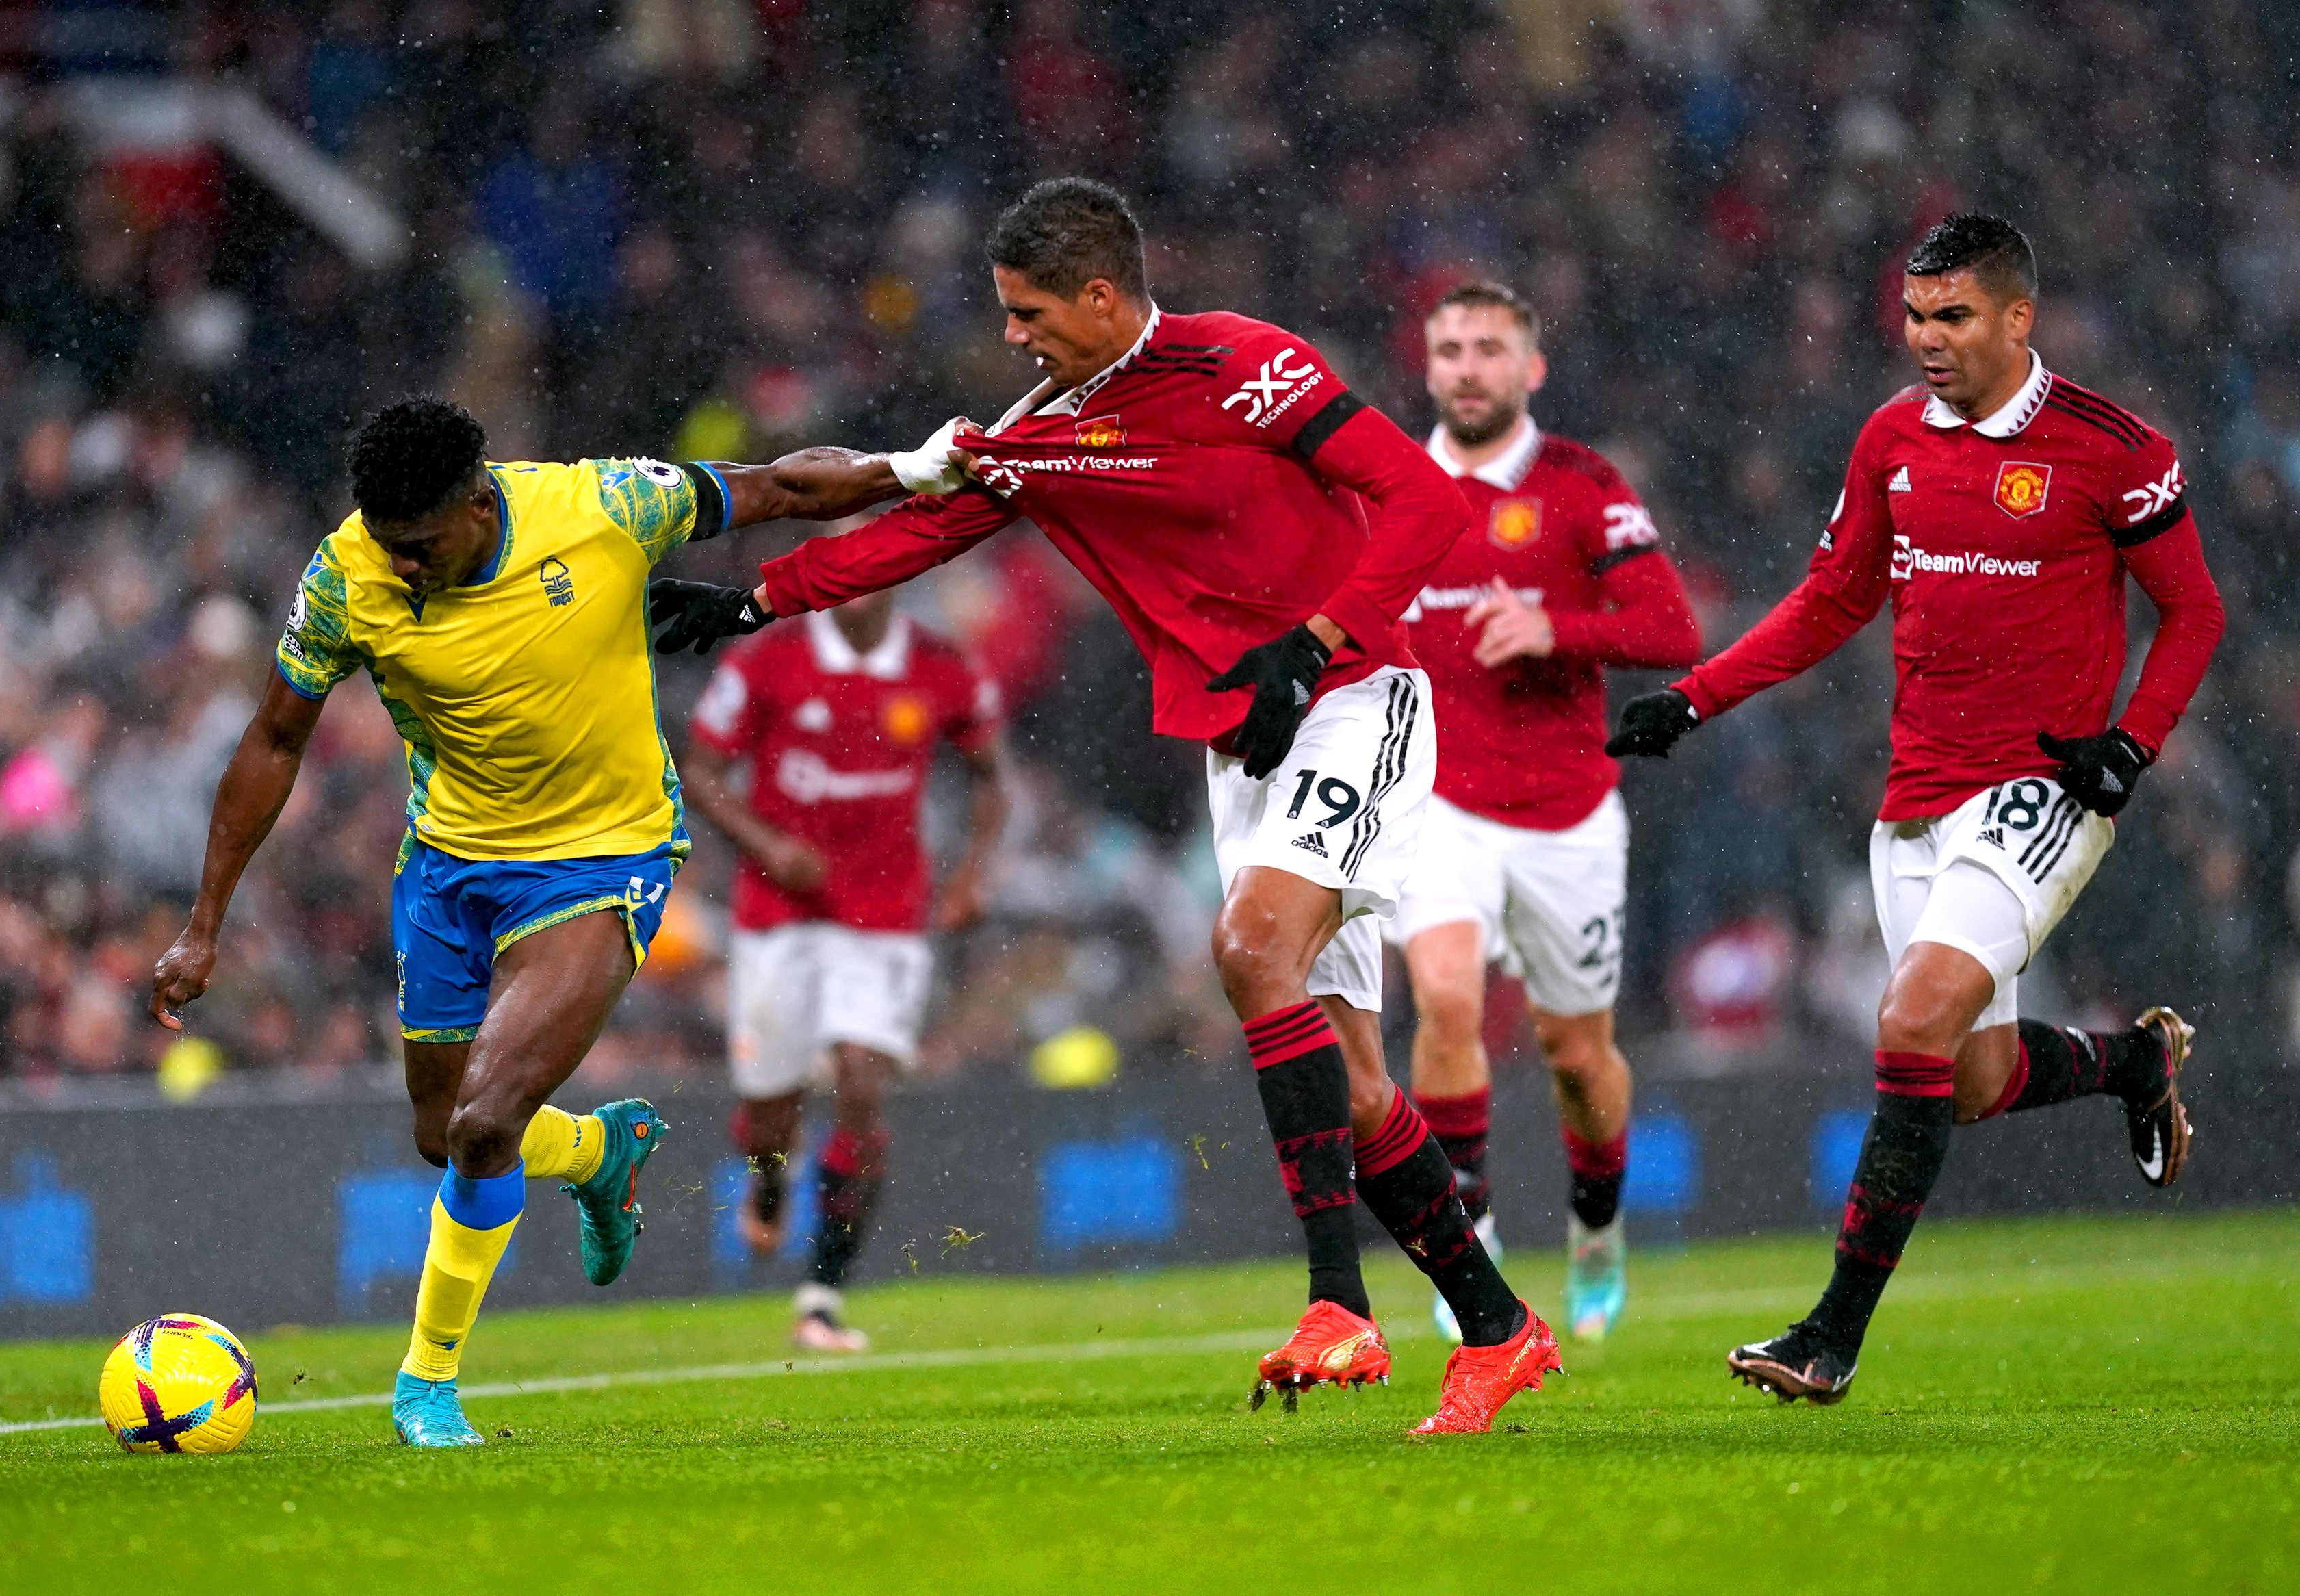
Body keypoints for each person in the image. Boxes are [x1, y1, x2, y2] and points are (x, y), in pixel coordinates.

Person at [648, 177, 1562, 1434]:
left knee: (1246, 949)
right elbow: (920, 533)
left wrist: (1313, 638)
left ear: (1098, 292)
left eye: (1029, 311)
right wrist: (758, 602)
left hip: (1354, 695)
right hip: (1241, 742)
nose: (1013, 336)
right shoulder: (1041, 430)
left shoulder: (1246, 366)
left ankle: (1337, 1303)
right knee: (1349, 1080)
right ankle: (1501, 1328)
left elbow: (1425, 500)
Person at [148, 396, 964, 1445]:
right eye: (389, 547)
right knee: (442, 1135)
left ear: (477, 502)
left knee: (485, 1124)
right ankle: (590, 1154)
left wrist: (914, 467)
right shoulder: (344, 575)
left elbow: (779, 487)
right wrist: (204, 922)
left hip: (601, 860)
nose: (402, 567)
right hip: (448, 865)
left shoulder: (601, 505)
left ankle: (426, 1386)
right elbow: (272, 738)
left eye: (423, 546)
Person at [1607, 214, 2224, 1403]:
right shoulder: (1892, 438)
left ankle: (1827, 1335)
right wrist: (1690, 700)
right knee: (1973, 1076)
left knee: (1910, 1021)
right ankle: (2132, 1060)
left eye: (1950, 317)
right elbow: (1832, 600)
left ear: (2015, 318)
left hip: (2041, 787)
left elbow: (2191, 611)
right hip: (1917, 800)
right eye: (1913, 315)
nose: (1926, 339)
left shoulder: (2114, 448)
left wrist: (2130, 747)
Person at [1391, 281, 1700, 1346]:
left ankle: (1597, 1223)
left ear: (1530, 369)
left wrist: (1553, 629)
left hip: (1566, 811)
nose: (1466, 366)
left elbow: (1672, 628)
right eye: (1449, 348)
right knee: (1441, 997)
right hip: (1434, 801)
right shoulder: (1390, 486)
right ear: (1427, 366)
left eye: (1488, 348)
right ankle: (1464, 1239)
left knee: (1575, 1055)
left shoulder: (1578, 485)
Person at [685, 581, 1007, 1352]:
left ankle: (822, 1296)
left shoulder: (940, 667)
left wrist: (969, 875)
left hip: (886, 916)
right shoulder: (770, 661)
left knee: (863, 1083)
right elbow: (699, 769)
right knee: (772, 1114)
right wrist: (767, 846)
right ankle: (770, 1177)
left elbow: (989, 773)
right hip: (779, 916)